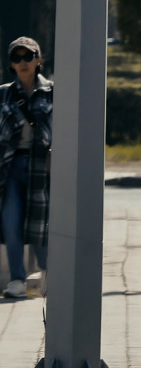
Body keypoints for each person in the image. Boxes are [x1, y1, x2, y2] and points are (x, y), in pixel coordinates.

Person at [0, 37, 51, 299]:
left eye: (28, 56)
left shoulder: (53, 91)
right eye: (16, 58)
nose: (23, 62)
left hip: (42, 164)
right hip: (10, 165)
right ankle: (17, 279)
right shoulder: (4, 93)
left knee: (41, 221)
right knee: (11, 221)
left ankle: (48, 272)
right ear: (11, 63)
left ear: (38, 59)